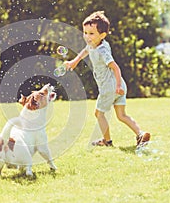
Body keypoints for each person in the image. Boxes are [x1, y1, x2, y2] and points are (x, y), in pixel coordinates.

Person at [64, 11, 150, 147]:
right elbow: (86, 50)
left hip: (110, 87)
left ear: (102, 35)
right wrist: (74, 61)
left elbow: (116, 68)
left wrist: (117, 87)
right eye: (85, 32)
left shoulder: (102, 51)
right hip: (119, 84)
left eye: (91, 33)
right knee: (121, 115)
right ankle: (140, 134)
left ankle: (107, 141)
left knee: (99, 113)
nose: (87, 36)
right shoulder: (95, 44)